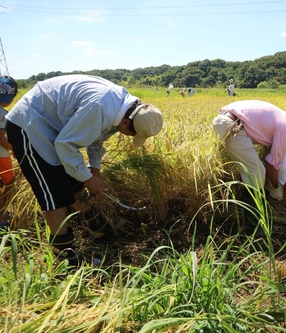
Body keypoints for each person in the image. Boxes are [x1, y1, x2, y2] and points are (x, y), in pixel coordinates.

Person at [5, 74, 164, 266]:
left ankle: (96, 226)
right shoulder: (100, 108)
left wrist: (94, 170)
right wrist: (88, 179)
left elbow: (97, 138)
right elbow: (65, 145)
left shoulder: (124, 107)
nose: (130, 137)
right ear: (125, 123)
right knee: (54, 194)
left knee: (74, 179)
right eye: (133, 134)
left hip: (53, 127)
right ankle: (65, 258)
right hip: (30, 125)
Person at [213, 100, 286, 235]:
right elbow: (271, 165)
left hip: (227, 121)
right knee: (256, 172)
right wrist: (276, 188)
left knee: (252, 171)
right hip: (232, 125)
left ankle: (256, 220)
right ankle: (254, 227)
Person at [0, 76, 18, 229]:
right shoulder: (2, 113)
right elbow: (1, 138)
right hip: (1, 156)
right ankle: (2, 216)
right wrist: (14, 148)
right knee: (10, 183)